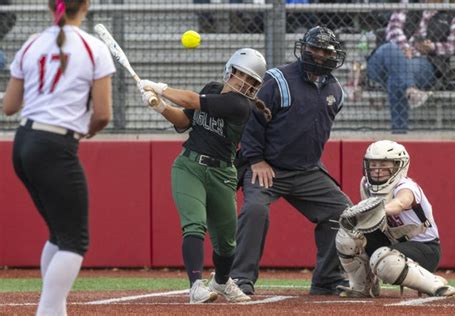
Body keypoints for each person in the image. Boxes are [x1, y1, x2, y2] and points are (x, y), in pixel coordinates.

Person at [2, 0, 115, 315]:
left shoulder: (32, 43)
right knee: (75, 242)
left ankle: (54, 310)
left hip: (23, 142)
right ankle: (48, 312)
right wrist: (86, 127)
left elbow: (9, 106)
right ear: (87, 6)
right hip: (55, 145)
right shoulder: (93, 48)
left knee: (59, 233)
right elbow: (104, 114)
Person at [140, 48, 272, 304]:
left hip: (222, 173)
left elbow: (190, 101)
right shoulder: (212, 88)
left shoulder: (240, 105)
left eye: (252, 81)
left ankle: (221, 282)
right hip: (189, 166)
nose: (245, 83)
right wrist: (161, 107)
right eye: (242, 76)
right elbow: (184, 121)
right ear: (231, 71)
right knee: (194, 224)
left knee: (227, 244)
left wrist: (159, 88)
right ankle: (195, 287)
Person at [228, 26, 352, 296]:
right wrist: (256, 160)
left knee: (343, 212)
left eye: (326, 50)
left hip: (307, 171)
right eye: (314, 49)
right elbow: (251, 120)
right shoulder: (277, 79)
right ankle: (240, 279)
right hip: (266, 166)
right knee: (255, 210)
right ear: (304, 49)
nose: (319, 55)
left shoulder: (336, 89)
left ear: (334, 54)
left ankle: (327, 280)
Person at [335, 140, 455, 298]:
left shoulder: (406, 186)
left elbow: (400, 203)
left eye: (385, 165)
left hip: (425, 248)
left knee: (384, 259)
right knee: (347, 237)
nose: (378, 170)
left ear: (399, 166)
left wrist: (380, 209)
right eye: (373, 165)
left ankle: (436, 285)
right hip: (392, 242)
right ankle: (362, 287)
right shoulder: (366, 184)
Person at [367, 0, 455, 133]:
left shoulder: (453, 14)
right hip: (389, 58)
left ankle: (399, 132)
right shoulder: (408, 3)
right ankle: (411, 89)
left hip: (424, 62)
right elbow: (393, 30)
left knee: (396, 78)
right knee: (390, 49)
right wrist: (405, 48)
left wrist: (432, 47)